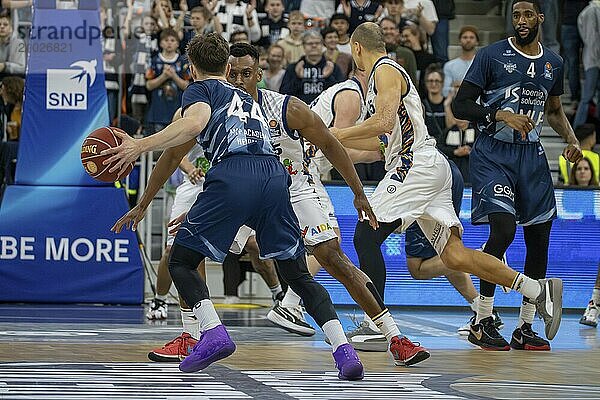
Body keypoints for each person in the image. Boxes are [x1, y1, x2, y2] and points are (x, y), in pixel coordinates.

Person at [105, 32, 367, 380]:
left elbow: (193, 125)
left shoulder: (201, 90)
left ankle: (212, 332)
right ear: (228, 66)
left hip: (233, 173)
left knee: (181, 259)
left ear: (191, 68)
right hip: (275, 179)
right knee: (298, 275)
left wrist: (139, 146)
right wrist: (145, 203)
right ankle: (343, 350)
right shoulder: (247, 97)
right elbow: (173, 156)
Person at [333, 22, 565, 353]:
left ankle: (376, 325)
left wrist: (335, 135)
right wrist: (334, 146)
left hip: (416, 165)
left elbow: (383, 122)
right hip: (430, 167)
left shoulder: (384, 70)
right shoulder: (381, 78)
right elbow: (382, 136)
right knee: (454, 257)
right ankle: (536, 290)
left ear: (357, 48)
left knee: (365, 234)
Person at [224, 43, 428, 366]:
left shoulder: (286, 108)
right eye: (231, 74)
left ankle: (395, 337)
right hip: (248, 192)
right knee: (186, 249)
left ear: (259, 76)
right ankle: (194, 332)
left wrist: (358, 192)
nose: (237, 80)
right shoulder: (217, 111)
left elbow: (332, 144)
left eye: (245, 74)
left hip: (296, 187)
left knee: (333, 258)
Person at [451, 0, 582, 350]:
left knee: (539, 240)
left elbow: (554, 110)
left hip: (532, 157)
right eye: (516, 16)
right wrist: (501, 115)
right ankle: (482, 318)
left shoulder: (554, 62)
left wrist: (571, 141)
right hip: (493, 153)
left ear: (540, 18)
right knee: (504, 231)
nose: (521, 21)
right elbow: (460, 105)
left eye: (528, 15)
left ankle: (525, 327)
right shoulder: (492, 55)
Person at [145, 29, 190, 135]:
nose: (169, 43)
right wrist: (163, 76)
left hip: (177, 111)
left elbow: (187, 86)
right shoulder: (154, 61)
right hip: (157, 112)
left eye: (172, 40)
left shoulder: (183, 62)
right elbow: (148, 85)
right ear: (160, 43)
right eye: (166, 40)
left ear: (178, 44)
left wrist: (174, 76)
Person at [280, 31, 345, 105]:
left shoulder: (333, 68)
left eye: (317, 43)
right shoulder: (293, 68)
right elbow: (283, 95)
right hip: (300, 111)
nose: (314, 46)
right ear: (303, 46)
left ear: (322, 45)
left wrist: (328, 78)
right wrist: (298, 78)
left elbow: (341, 93)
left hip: (325, 110)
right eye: (310, 43)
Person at [573, 0, 600, 129]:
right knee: (587, 96)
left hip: (595, 59)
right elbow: (591, 38)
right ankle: (576, 129)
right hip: (594, 60)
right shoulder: (591, 11)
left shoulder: (594, 10)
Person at [442, 26, 478, 97]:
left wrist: (459, 85)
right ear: (459, 41)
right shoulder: (449, 66)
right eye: (465, 37)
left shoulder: (482, 64)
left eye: (471, 37)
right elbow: (445, 91)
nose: (468, 40)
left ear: (477, 42)